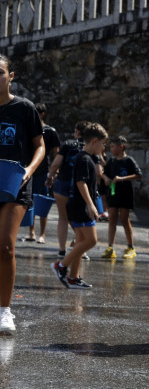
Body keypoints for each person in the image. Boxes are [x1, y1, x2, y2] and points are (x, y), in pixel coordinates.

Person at [0, 55, 44, 335]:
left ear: (11, 76)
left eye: (0, 73)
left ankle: (6, 311)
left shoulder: (24, 108)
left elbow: (40, 146)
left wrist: (29, 170)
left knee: (5, 246)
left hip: (17, 183)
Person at [52, 123, 109, 289]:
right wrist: (91, 205)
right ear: (94, 141)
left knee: (81, 242)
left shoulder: (88, 158)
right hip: (81, 207)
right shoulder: (84, 159)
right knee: (91, 240)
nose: (103, 146)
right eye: (102, 143)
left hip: (78, 206)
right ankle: (61, 266)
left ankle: (73, 277)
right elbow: (80, 183)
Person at [46, 121, 90, 258]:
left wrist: (50, 177)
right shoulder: (89, 147)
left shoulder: (68, 144)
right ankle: (81, 249)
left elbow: (55, 164)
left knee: (63, 218)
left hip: (63, 183)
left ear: (77, 131)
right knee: (80, 218)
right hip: (81, 185)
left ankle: (61, 250)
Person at [101, 136, 142, 259]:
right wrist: (105, 178)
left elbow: (138, 175)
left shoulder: (129, 160)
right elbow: (103, 173)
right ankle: (110, 247)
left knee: (124, 219)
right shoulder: (111, 162)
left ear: (121, 147)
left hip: (125, 194)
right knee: (112, 218)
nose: (111, 149)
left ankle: (131, 247)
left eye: (113, 147)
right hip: (113, 194)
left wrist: (122, 178)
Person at [25, 103, 60, 243]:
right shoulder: (29, 128)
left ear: (42, 114)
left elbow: (56, 152)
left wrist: (55, 171)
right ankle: (31, 232)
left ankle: (43, 234)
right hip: (30, 170)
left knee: (42, 203)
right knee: (30, 201)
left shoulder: (50, 131)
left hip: (43, 170)